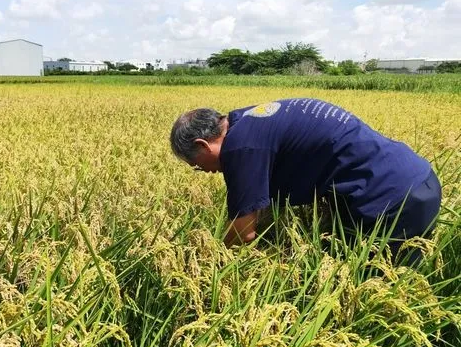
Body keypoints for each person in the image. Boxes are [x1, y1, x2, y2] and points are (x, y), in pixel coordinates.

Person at [170, 98, 442, 262]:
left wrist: (211, 259)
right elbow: (262, 204)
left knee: (375, 292)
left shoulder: (241, 147)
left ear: (203, 145)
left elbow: (244, 232)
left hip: (393, 203)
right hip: (417, 179)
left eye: (196, 165)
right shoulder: (249, 119)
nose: (205, 172)